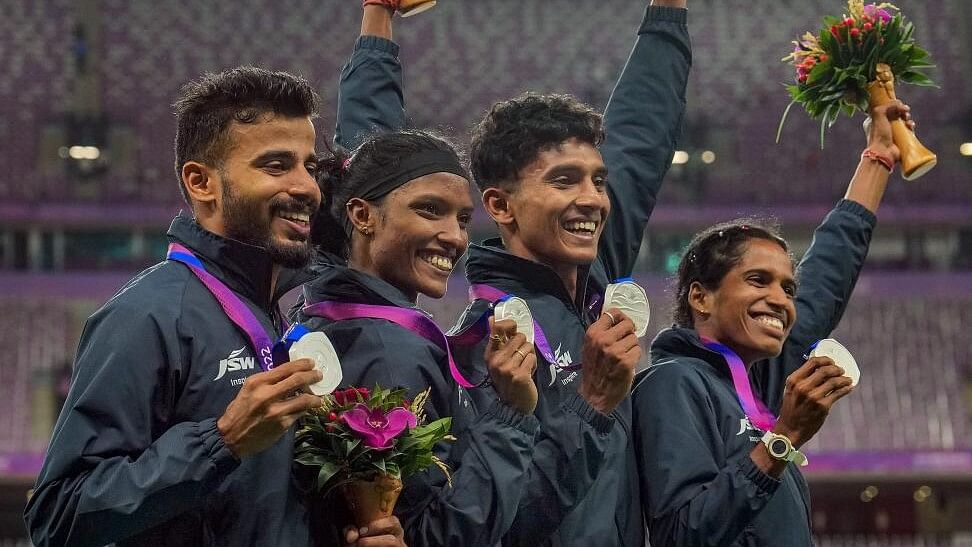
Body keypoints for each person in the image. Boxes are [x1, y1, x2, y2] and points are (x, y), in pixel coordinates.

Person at [329, 2, 689, 544]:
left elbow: (644, 134)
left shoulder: (593, 278)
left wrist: (668, 11)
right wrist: (590, 405)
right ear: (501, 206)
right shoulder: (481, 351)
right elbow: (505, 522)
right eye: (565, 180)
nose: (592, 199)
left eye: (598, 180)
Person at [23, 66, 403, 547]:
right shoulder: (147, 317)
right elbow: (58, 515)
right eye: (275, 165)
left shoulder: (273, 311)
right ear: (202, 182)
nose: (307, 187)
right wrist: (219, 442)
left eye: (308, 165)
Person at [631, 100, 915, 546]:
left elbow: (830, 269)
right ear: (701, 296)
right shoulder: (672, 384)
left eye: (787, 288)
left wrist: (878, 155)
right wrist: (781, 439)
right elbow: (682, 536)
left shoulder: (756, 383)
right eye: (757, 280)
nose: (780, 300)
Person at [293, 129, 541, 547]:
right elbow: (433, 535)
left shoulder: (324, 317)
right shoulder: (390, 351)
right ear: (362, 216)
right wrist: (512, 416)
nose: (456, 237)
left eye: (463, 219)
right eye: (430, 210)